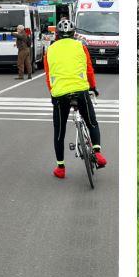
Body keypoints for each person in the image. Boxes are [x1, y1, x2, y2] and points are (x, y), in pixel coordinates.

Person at [45, 18, 106, 179]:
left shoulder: (50, 50)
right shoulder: (81, 46)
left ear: (57, 35)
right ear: (74, 34)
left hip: (60, 94)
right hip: (80, 90)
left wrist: (53, 93)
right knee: (91, 122)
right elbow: (88, 69)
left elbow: (49, 74)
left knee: (59, 131)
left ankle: (61, 168)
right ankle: (98, 153)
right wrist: (93, 88)